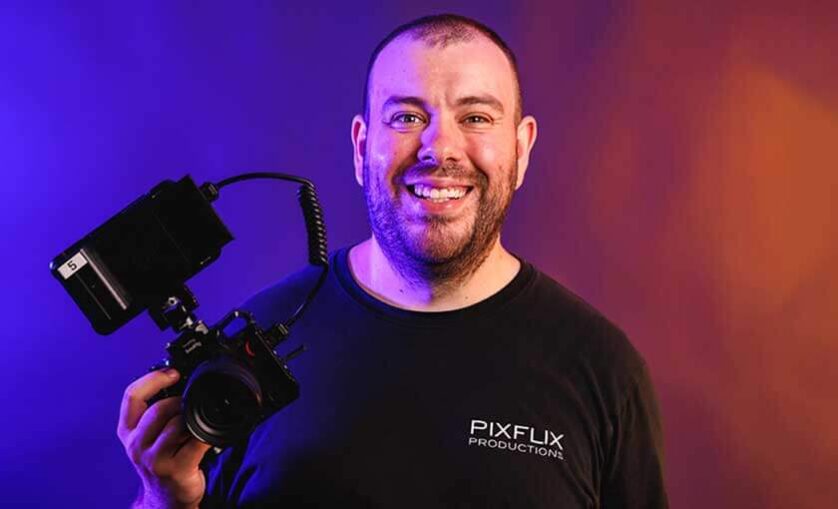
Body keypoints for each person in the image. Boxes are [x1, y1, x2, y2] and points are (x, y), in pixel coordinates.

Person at [118, 14, 668, 508]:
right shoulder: (248, 351)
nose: (440, 148)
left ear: (521, 150)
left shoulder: (601, 368)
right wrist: (162, 499)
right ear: (362, 148)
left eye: (476, 117)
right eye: (406, 117)